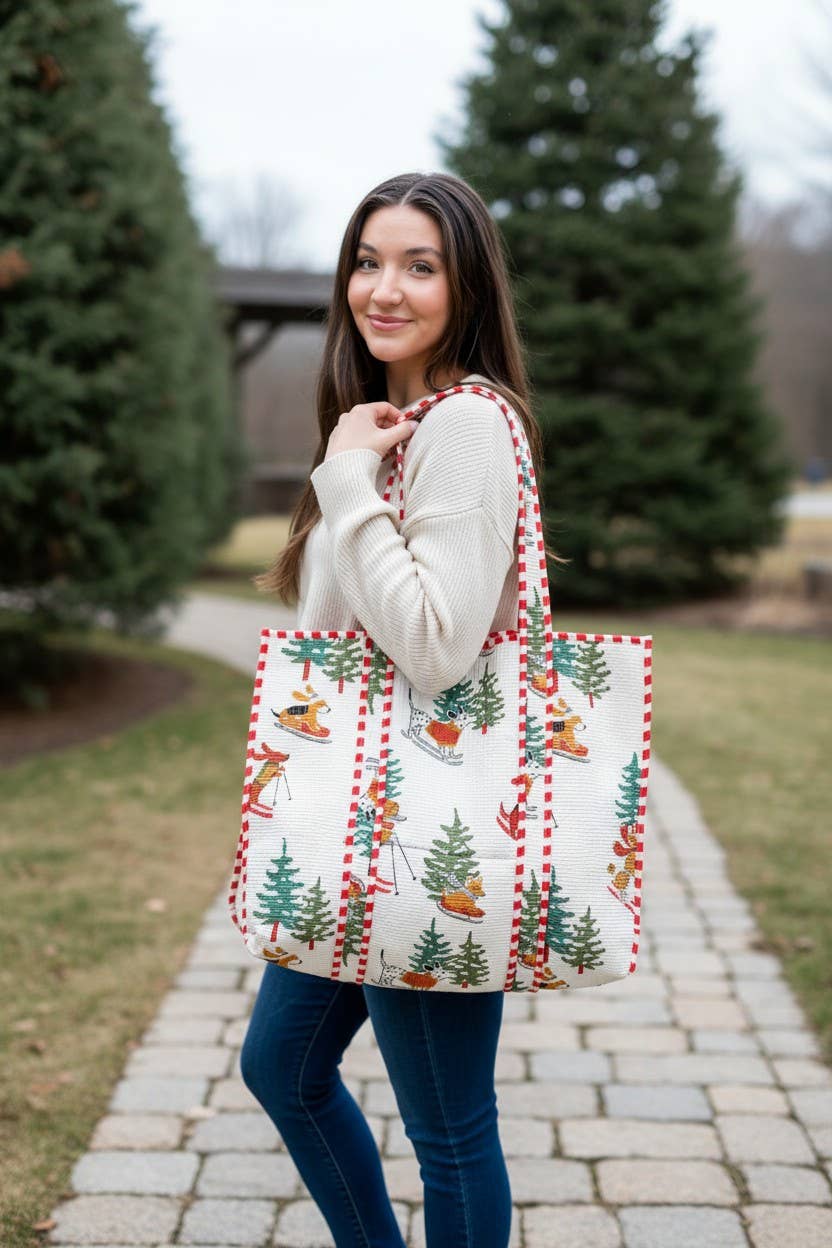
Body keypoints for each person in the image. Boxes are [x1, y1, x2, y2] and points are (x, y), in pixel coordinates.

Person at [240, 171, 559, 1248]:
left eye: (419, 265)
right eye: (368, 261)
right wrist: (354, 468)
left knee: (451, 1130)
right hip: (356, 825)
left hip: (426, 830)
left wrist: (345, 485)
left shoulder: (464, 424)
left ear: (463, 285)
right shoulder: (394, 423)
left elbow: (432, 645)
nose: (384, 287)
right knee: (279, 1068)